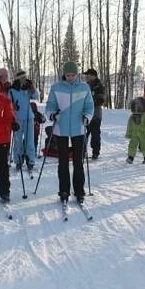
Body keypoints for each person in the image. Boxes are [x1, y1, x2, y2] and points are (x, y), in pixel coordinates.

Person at [45, 61, 94, 203]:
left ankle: (79, 191)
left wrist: (87, 117)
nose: (70, 77)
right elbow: (50, 106)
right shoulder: (56, 88)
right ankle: (64, 190)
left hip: (78, 129)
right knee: (63, 162)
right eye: (68, 75)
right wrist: (53, 115)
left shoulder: (84, 88)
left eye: (73, 75)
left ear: (77, 74)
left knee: (78, 162)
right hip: (61, 130)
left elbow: (89, 106)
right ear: (64, 74)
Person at [8, 69, 40, 171]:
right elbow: (8, 104)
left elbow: (36, 96)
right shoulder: (12, 90)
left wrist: (33, 89)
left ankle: (30, 160)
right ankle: (18, 160)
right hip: (17, 118)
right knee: (18, 141)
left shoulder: (28, 87)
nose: (24, 79)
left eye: (24, 77)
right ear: (17, 79)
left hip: (28, 117)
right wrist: (13, 106)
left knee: (29, 140)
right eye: (21, 78)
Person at [83, 68, 107, 160]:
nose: (86, 77)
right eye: (86, 75)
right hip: (85, 115)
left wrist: (89, 102)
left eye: (88, 75)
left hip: (95, 115)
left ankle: (95, 152)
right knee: (83, 134)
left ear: (93, 76)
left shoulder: (99, 86)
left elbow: (101, 100)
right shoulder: (85, 86)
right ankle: (82, 151)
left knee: (95, 134)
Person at [126, 96, 145, 164]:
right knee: (144, 146)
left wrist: (129, 134)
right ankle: (143, 158)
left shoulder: (133, 116)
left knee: (133, 145)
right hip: (142, 134)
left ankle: (132, 157)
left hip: (135, 134)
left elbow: (129, 126)